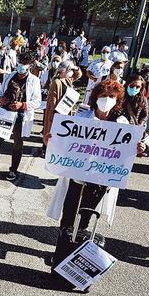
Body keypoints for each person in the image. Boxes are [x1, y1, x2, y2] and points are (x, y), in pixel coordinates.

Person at [46, 80, 139, 233]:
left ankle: (78, 242)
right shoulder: (82, 118)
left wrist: (139, 147)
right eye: (103, 95)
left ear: (117, 100)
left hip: (101, 178)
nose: (107, 99)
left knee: (86, 215)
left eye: (111, 96)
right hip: (77, 175)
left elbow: (126, 149)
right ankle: (62, 247)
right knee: (70, 212)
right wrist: (52, 140)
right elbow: (66, 142)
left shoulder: (122, 123)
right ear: (96, 97)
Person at [0, 51, 42, 181]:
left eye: (24, 64)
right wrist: (0, 98)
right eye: (20, 63)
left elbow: (37, 101)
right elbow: (0, 90)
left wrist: (23, 105)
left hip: (21, 116)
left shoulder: (34, 80)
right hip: (5, 113)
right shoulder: (10, 76)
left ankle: (13, 170)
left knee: (17, 144)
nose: (21, 66)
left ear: (30, 65)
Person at [41, 61, 81, 154]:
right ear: (64, 70)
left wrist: (75, 68)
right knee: (53, 133)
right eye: (69, 70)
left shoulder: (68, 80)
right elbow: (52, 99)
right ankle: (48, 151)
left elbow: (78, 75)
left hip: (66, 110)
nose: (71, 72)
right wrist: (54, 112)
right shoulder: (56, 81)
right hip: (57, 111)